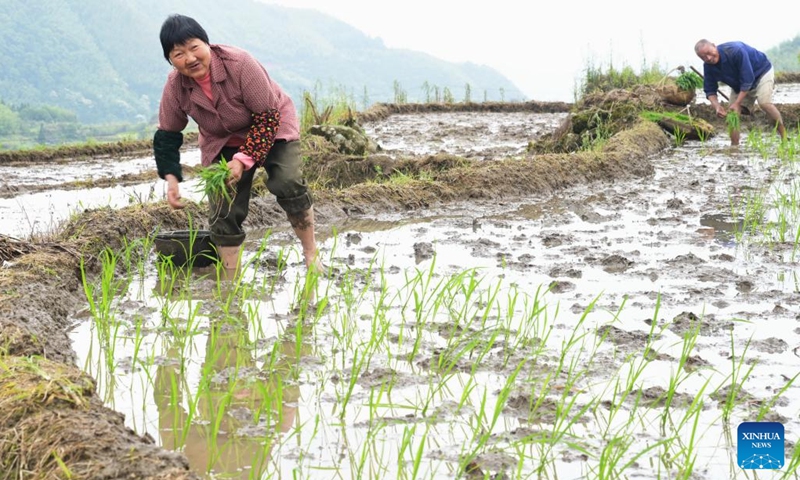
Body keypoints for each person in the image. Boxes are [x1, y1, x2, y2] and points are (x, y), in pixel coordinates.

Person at [153, 14, 320, 273]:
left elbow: (267, 116)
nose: (190, 58)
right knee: (223, 205)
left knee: (287, 181)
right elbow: (168, 133)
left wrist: (243, 159)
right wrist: (172, 179)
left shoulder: (239, 63)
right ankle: (231, 277)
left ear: (207, 44)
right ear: (171, 60)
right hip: (221, 139)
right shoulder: (176, 85)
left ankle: (311, 255)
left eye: (194, 47)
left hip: (271, 126)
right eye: (178, 54)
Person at [694, 39, 787, 146]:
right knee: (733, 114)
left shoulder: (735, 51)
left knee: (764, 103)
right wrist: (717, 106)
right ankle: (734, 146)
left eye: (709, 53)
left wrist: (737, 103)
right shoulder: (708, 66)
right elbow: (710, 90)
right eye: (703, 57)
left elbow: (747, 79)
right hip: (739, 83)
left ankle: (784, 137)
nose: (708, 58)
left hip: (761, 73)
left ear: (714, 46)